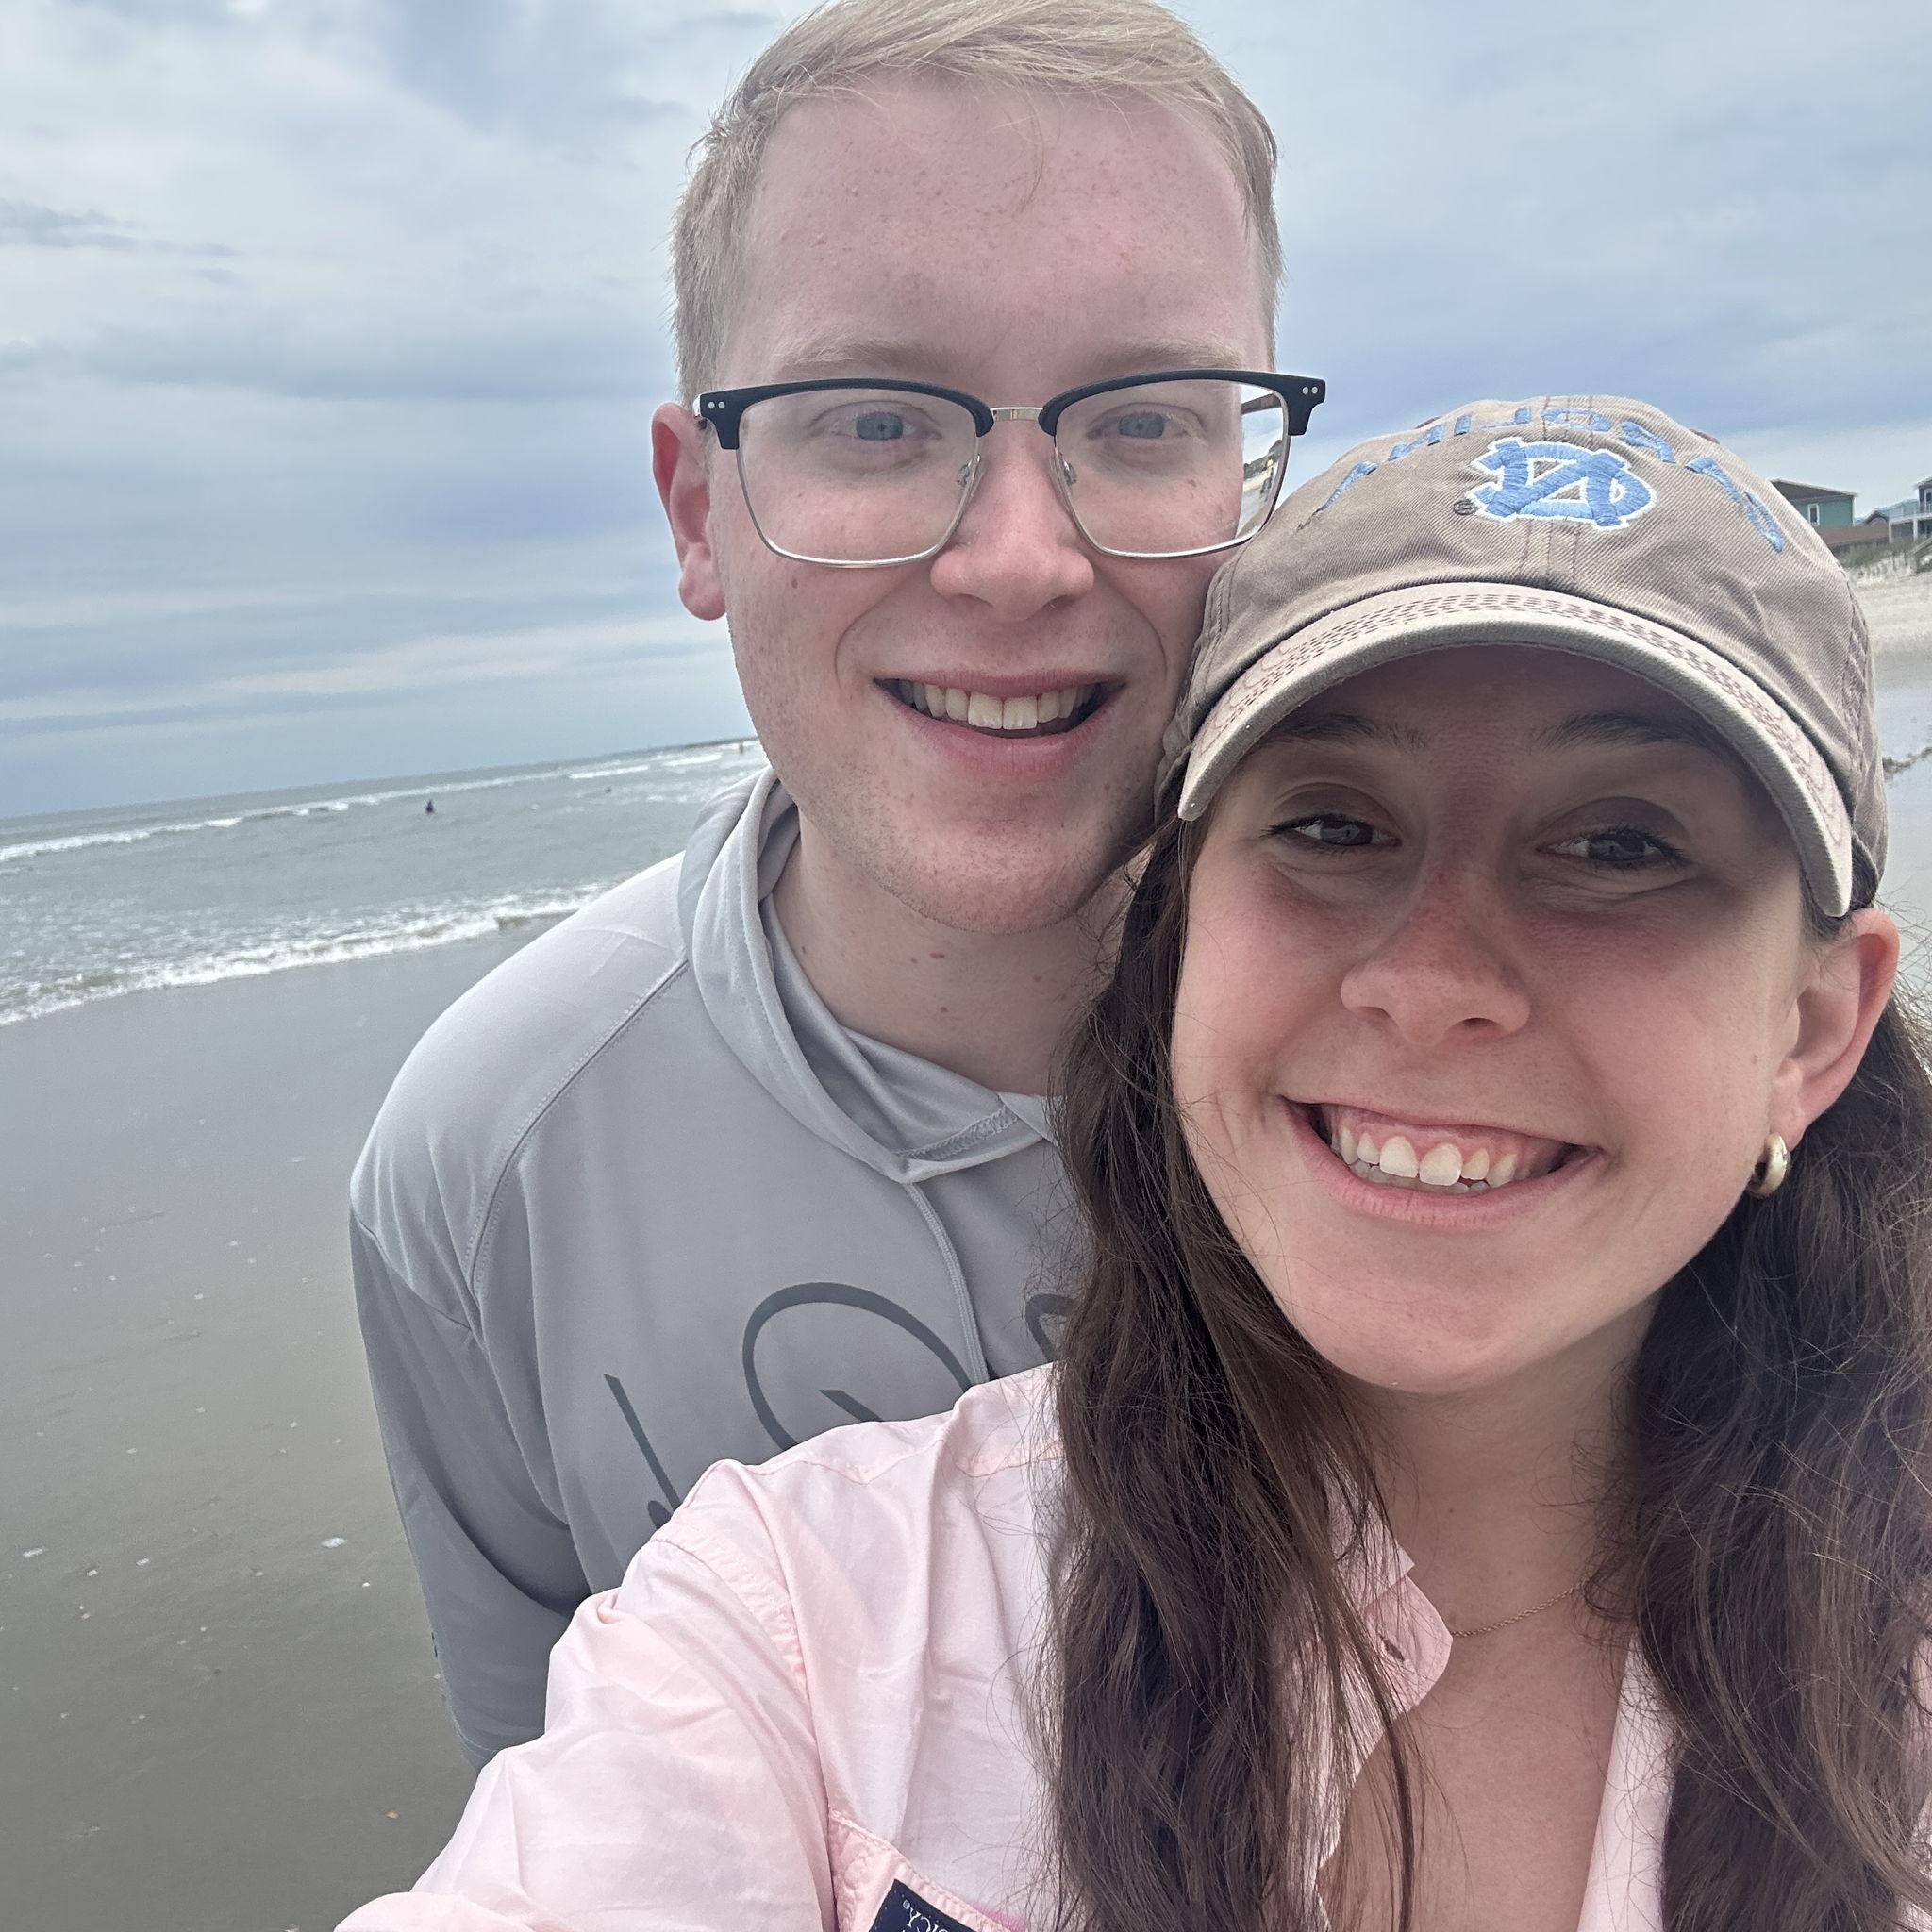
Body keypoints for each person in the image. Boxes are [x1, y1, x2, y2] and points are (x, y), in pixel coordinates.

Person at [340, 397, 1932, 1931]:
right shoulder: (803, 1633)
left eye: (1618, 845)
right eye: (1331, 825)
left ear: (1812, 1024)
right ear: (1175, 949)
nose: (1432, 978)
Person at [348, 0, 1322, 1767]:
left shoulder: (1471, 1064)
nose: (1021, 557)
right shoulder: (495, 1164)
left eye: (1146, 419)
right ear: (697, 513)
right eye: (874, 422)